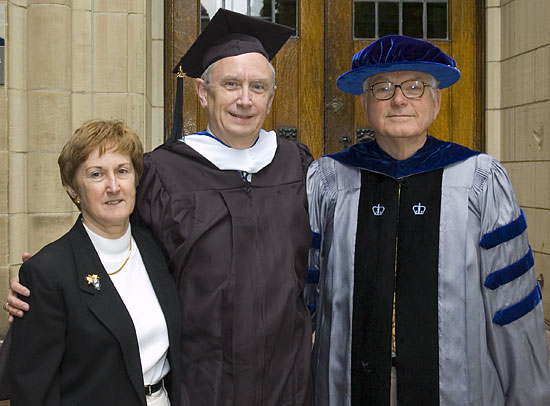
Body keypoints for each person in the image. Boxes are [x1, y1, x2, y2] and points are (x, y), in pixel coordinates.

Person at [6, 9, 313, 406]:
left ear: (271, 97)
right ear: (203, 92)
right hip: (200, 379)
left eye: (258, 87)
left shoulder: (297, 164)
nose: (244, 99)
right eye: (231, 84)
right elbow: (108, 243)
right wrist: (42, 288)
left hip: (286, 379)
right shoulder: (162, 172)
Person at [306, 35, 550, 405]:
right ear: (365, 102)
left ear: (435, 102)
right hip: (345, 386)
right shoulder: (330, 180)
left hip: (458, 386)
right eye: (383, 87)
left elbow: (512, 302)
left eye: (415, 87)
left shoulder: (479, 180)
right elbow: (305, 294)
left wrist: (530, 396)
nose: (399, 99)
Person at [6, 119, 182, 405]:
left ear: (135, 179)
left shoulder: (156, 248)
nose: (113, 186)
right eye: (96, 174)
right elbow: (32, 388)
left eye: (122, 171)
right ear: (73, 189)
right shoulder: (48, 273)